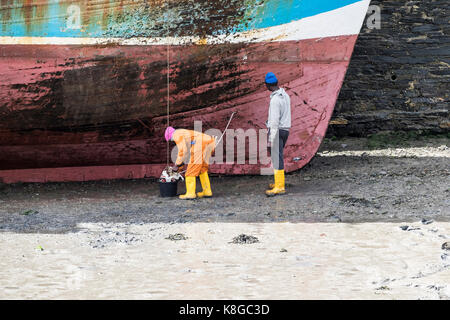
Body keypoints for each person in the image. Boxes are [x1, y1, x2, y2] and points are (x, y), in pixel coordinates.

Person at [164, 127, 216, 200]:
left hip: (201, 144)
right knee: (202, 169)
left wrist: (177, 164)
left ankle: (190, 193)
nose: (172, 141)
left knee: (190, 171)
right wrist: (180, 166)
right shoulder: (183, 132)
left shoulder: (176, 134)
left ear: (170, 136)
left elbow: (182, 151)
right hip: (210, 142)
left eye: (170, 140)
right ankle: (207, 191)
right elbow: (187, 152)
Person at [265, 72, 291, 196]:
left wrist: (270, 138)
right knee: (278, 156)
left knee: (276, 158)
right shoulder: (285, 95)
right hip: (285, 130)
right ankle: (278, 183)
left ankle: (280, 187)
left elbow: (274, 121)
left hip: (277, 130)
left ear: (268, 85)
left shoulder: (275, 100)